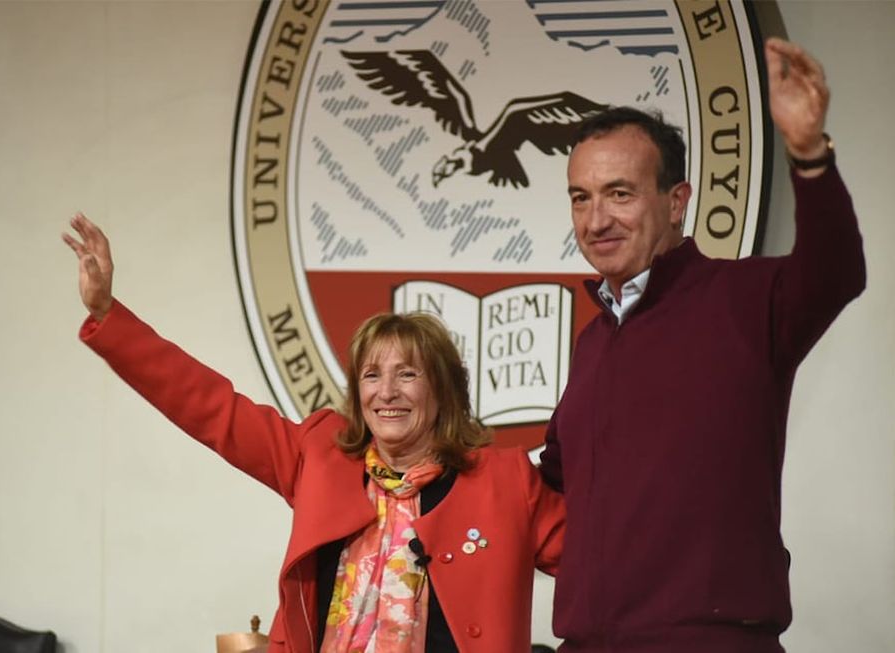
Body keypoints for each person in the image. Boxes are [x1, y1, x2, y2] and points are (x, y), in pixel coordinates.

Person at [63, 214, 566, 653]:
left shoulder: (505, 482)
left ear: (443, 390)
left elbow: (603, 563)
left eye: (407, 375)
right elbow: (208, 406)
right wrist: (110, 316)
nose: (386, 392)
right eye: (371, 376)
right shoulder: (319, 457)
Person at [539, 37, 865, 652]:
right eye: (580, 197)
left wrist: (809, 156)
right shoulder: (591, 340)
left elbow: (837, 271)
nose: (596, 220)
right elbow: (553, 480)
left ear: (677, 201)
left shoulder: (746, 298)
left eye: (619, 193)